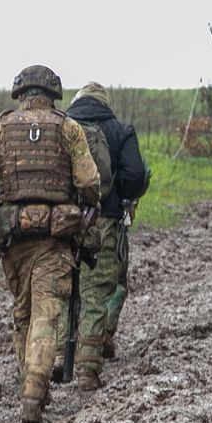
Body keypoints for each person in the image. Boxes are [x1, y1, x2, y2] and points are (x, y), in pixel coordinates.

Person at [0, 65, 100, 423]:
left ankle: (30, 384)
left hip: (12, 238)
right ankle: (34, 390)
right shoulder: (68, 128)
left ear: (20, 95)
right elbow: (90, 181)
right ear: (53, 95)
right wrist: (85, 203)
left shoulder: (0, 128)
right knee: (47, 316)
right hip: (55, 240)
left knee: (23, 314)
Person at [61, 82, 149, 388]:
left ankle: (59, 357)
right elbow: (136, 175)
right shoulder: (120, 129)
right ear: (105, 103)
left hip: (61, 220)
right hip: (105, 218)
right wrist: (123, 196)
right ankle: (87, 368)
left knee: (62, 287)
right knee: (97, 290)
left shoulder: (62, 126)